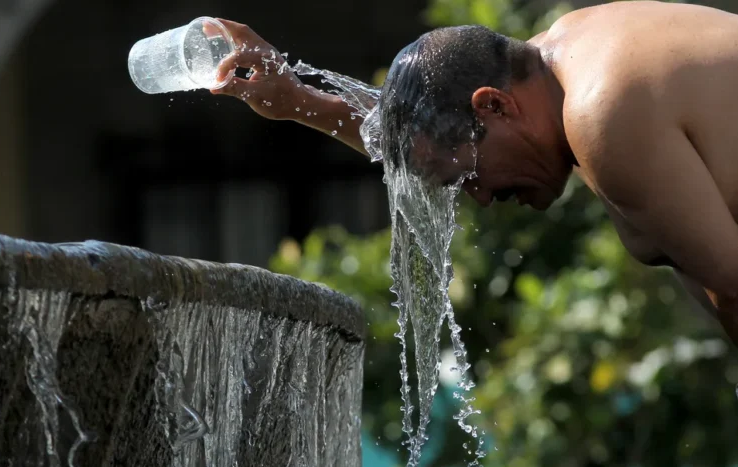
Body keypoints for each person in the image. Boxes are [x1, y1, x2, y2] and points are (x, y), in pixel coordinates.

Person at [208, 1, 738, 345]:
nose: (480, 197)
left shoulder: (603, 115)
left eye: (468, 177)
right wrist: (299, 100)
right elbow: (434, 136)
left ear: (496, 107)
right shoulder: (563, 56)